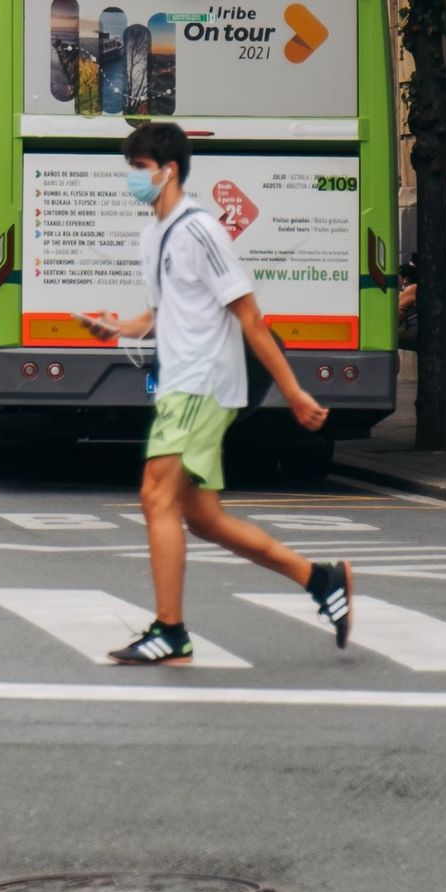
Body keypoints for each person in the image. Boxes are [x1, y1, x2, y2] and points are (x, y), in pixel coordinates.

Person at [80, 122, 348, 665]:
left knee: (155, 495)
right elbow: (162, 316)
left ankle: (170, 631)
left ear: (168, 170)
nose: (132, 178)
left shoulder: (200, 229)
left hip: (202, 385)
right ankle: (320, 578)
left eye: (139, 168)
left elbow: (250, 318)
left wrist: (294, 392)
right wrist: (117, 327)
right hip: (181, 383)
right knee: (202, 519)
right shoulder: (153, 233)